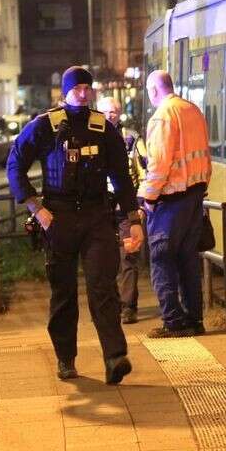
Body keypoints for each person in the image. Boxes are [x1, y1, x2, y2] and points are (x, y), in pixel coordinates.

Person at [6, 66, 143, 384]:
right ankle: (65, 359)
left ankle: (114, 357)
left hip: (97, 217)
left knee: (103, 288)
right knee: (63, 293)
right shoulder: (46, 126)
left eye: (87, 88)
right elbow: (15, 164)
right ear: (65, 91)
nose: (83, 93)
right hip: (59, 219)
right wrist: (35, 207)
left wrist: (132, 220)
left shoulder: (102, 127)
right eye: (77, 88)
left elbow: (121, 177)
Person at [138, 70, 211, 338]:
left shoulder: (162, 117)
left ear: (154, 90)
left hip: (169, 201)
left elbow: (158, 165)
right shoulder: (193, 110)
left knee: (162, 259)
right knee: (189, 261)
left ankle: (173, 321)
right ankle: (195, 319)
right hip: (194, 197)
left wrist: (148, 197)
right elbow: (205, 155)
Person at [95, 96, 148, 324]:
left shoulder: (132, 140)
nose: (110, 116)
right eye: (106, 112)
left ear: (119, 114)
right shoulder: (92, 137)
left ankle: (128, 307)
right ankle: (111, 304)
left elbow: (145, 172)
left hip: (126, 208)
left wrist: (140, 204)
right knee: (104, 259)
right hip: (100, 209)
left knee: (129, 256)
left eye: (114, 112)